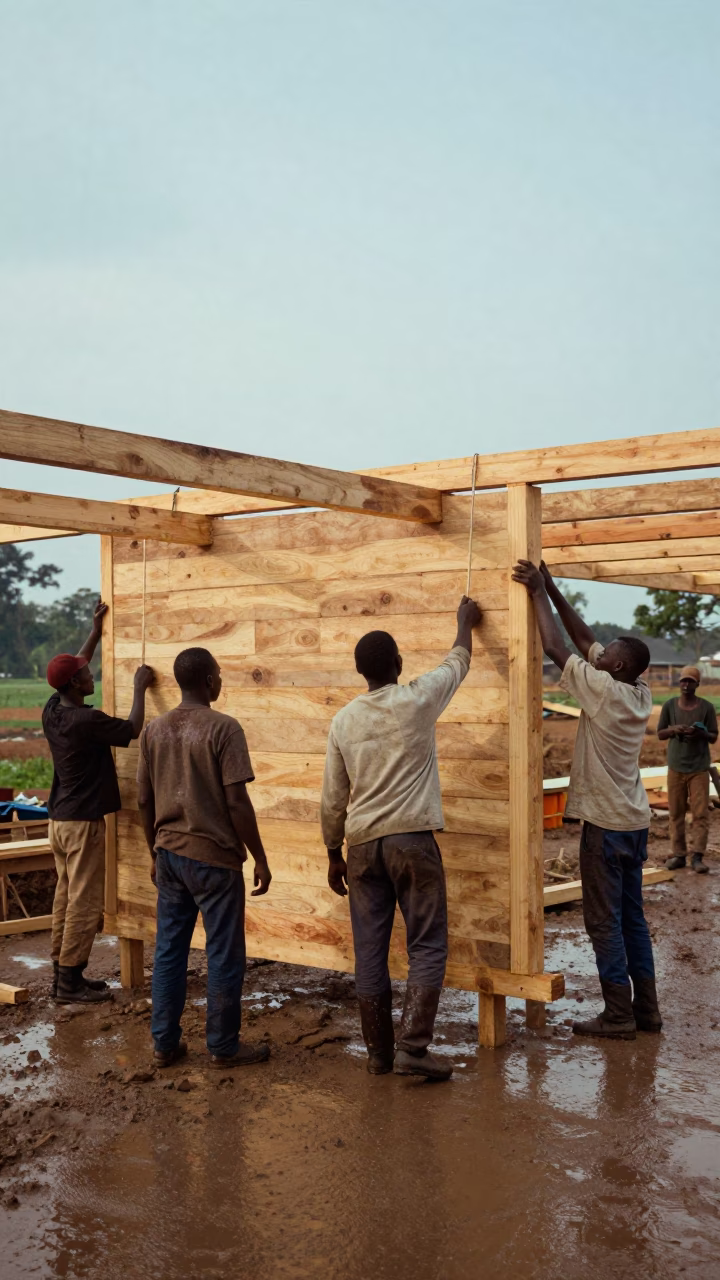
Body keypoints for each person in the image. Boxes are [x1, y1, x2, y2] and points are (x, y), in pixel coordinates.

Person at [321, 596, 483, 1081]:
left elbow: (333, 798)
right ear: (397, 664)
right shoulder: (416, 699)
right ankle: (414, 1048)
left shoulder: (344, 720)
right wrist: (463, 622)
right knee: (427, 945)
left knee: (369, 952)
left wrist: (334, 853)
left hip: (362, 848)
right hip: (412, 841)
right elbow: (458, 662)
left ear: (358, 671)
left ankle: (378, 1055)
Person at [511, 560, 661, 1040]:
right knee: (632, 919)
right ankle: (646, 1012)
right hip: (634, 822)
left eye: (605, 655)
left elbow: (556, 645)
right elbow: (584, 640)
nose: (596, 655)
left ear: (613, 667)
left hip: (606, 825)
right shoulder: (634, 689)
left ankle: (617, 1016)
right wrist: (554, 590)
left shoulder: (601, 690)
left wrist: (535, 590)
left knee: (604, 923)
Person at [137, 646, 272, 1070]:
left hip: (171, 857)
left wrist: (153, 852)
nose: (221, 681)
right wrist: (260, 857)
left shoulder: (154, 731)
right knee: (223, 955)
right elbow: (237, 802)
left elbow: (144, 799)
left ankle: (164, 1044)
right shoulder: (224, 728)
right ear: (209, 681)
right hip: (215, 861)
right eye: (218, 674)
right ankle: (222, 1046)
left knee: (170, 952)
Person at [43, 600, 154, 1003]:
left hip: (58, 821)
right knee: (85, 903)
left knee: (65, 896)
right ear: (75, 684)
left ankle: (62, 973)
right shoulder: (85, 721)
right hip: (83, 823)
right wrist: (140, 687)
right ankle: (70, 981)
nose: (92, 674)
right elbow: (133, 728)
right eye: (88, 675)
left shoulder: (53, 708)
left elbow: (78, 660)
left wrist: (95, 631)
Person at [657, 665, 717, 874]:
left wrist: (701, 734)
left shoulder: (706, 708)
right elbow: (660, 733)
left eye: (690, 681)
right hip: (676, 768)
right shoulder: (670, 706)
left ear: (697, 684)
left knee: (700, 813)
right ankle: (679, 855)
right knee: (676, 813)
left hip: (699, 769)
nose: (686, 684)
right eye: (683, 680)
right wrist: (674, 729)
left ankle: (698, 856)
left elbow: (713, 736)